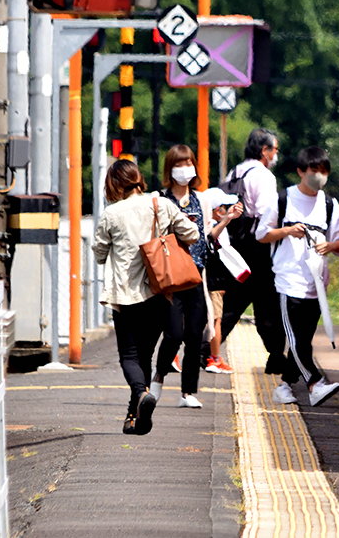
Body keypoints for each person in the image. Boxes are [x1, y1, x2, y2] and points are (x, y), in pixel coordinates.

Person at [92, 159, 199, 435]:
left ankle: (141, 395)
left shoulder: (111, 213)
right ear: (138, 179)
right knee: (145, 355)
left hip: (126, 295)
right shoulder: (160, 204)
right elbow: (192, 234)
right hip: (158, 291)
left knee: (129, 355)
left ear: (114, 184)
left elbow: (100, 254)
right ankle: (135, 416)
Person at [257, 146, 339, 406]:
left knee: (304, 341)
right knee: (297, 339)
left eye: (324, 172)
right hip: (288, 280)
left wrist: (330, 246)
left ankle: (285, 386)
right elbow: (262, 234)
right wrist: (287, 231)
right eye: (314, 171)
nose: (319, 176)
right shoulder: (283, 199)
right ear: (300, 171)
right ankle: (315, 383)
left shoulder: (329, 204)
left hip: (316, 283)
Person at [149, 145, 238, 407]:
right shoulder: (160, 199)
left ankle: (188, 393)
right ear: (170, 169)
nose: (184, 169)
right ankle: (158, 377)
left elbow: (208, 238)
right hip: (170, 277)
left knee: (195, 335)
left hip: (196, 275)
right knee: (174, 334)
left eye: (188, 163)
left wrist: (226, 220)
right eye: (179, 164)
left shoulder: (202, 200)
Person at [220, 128, 287, 373]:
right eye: (274, 149)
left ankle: (206, 351)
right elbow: (265, 213)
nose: (276, 154)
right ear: (264, 150)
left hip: (234, 244)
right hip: (258, 247)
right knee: (267, 304)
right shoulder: (264, 176)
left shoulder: (235, 171)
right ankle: (276, 356)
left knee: (232, 303)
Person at [201, 189, 245, 374]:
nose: (227, 210)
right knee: (216, 320)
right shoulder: (215, 226)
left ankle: (176, 356)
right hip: (214, 281)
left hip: (203, 277)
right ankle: (214, 358)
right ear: (217, 209)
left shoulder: (199, 224)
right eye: (224, 207)